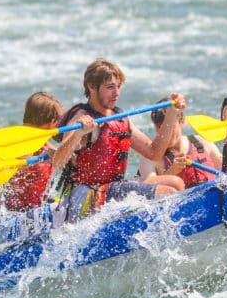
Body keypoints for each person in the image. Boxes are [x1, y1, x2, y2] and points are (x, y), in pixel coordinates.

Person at [55, 58, 186, 222]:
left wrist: (172, 114)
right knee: (169, 192)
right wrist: (77, 134)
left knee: (176, 183)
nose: (116, 93)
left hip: (111, 189)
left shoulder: (120, 119)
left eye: (118, 86)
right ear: (91, 87)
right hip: (85, 195)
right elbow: (58, 161)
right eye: (110, 87)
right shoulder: (81, 118)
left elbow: (154, 153)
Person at [0, 91, 95, 212]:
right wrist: (37, 161)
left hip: (36, 208)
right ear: (53, 123)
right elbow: (3, 172)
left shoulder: (41, 144)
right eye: (59, 123)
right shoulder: (19, 144)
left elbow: (65, 158)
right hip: (16, 214)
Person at [139, 99, 222, 189]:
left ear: (182, 121)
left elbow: (226, 171)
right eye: (160, 127)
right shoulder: (150, 158)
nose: (165, 133)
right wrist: (171, 172)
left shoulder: (201, 143)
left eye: (170, 127)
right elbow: (147, 188)